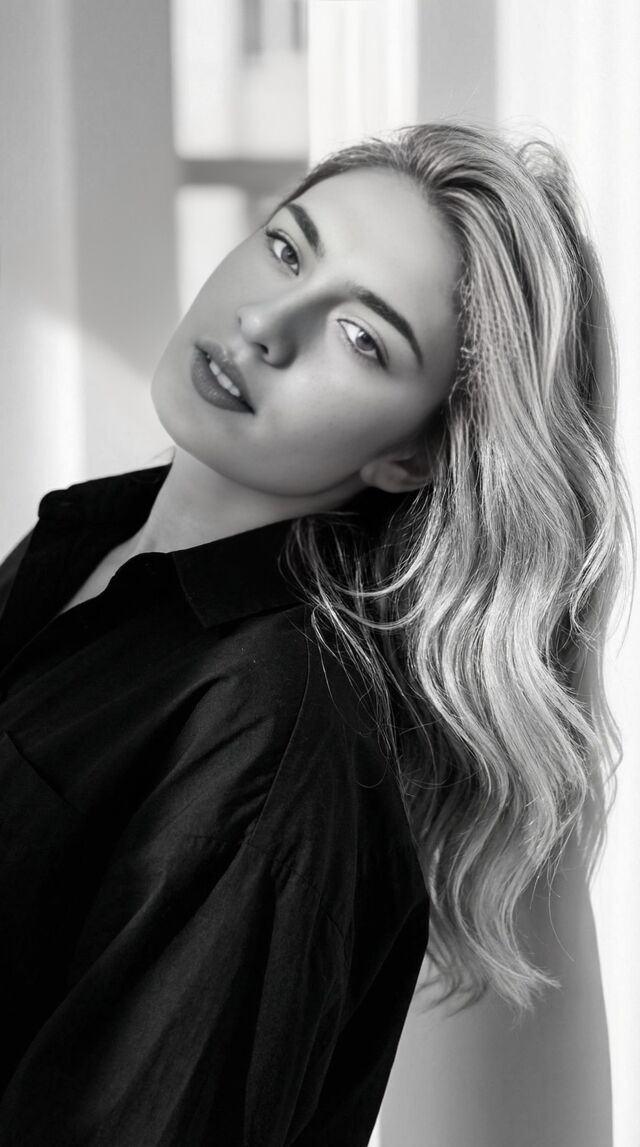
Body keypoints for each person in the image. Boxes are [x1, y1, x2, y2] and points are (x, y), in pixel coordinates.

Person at [0, 123, 632, 1145]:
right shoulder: (86, 534)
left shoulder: (271, 727)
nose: (266, 324)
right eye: (289, 249)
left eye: (362, 338)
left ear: (410, 458)